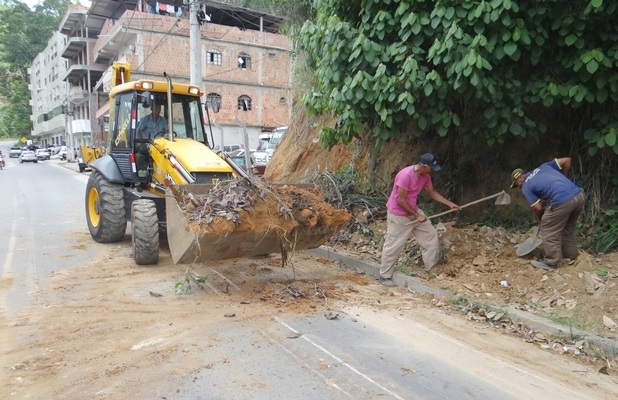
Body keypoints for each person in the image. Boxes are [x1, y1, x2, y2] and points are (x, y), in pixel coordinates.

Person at [379, 153, 460, 286]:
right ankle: (385, 276)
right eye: (431, 168)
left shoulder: (425, 176)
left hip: (413, 211)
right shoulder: (405, 176)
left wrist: (449, 204)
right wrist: (417, 216)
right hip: (399, 214)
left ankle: (431, 268)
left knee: (430, 235)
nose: (432, 171)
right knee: (394, 245)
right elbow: (400, 200)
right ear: (423, 166)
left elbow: (432, 192)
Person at [510, 157, 585, 270]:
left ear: (520, 177)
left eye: (517, 184)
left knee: (548, 228)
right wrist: (564, 178)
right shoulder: (544, 167)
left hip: (562, 201)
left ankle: (551, 262)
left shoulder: (526, 185)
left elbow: (537, 207)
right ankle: (571, 255)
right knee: (567, 228)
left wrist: (542, 218)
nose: (519, 187)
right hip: (579, 196)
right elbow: (567, 160)